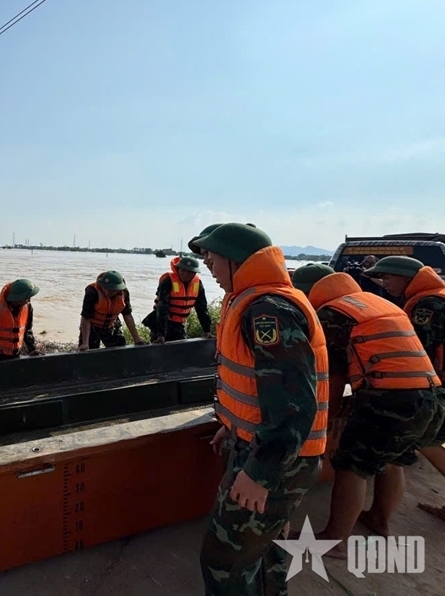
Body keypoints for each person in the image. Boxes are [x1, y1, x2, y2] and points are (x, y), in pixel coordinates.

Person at [194, 224, 328, 595]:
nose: (208, 266)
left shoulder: (268, 310)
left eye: (212, 258)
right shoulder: (256, 300)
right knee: (263, 548)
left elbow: (294, 405)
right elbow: (258, 387)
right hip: (271, 449)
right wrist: (234, 424)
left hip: (277, 459)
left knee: (226, 563)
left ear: (238, 260)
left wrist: (260, 473)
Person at [291, 262, 441, 551]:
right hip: (429, 395)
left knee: (351, 467)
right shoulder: (373, 303)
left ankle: (334, 541)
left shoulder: (332, 314)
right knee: (391, 458)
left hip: (390, 399)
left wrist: (324, 422)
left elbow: (332, 380)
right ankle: (378, 519)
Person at [363, 256, 445, 516]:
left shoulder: (426, 305)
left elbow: (417, 352)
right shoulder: (436, 295)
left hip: (432, 386)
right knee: (428, 441)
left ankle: (379, 517)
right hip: (437, 383)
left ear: (407, 278)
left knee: (401, 446)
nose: (383, 283)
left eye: (387, 277)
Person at [144, 256, 212, 342]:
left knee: (180, 348)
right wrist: (160, 334)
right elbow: (162, 307)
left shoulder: (198, 284)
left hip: (178, 323)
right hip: (160, 321)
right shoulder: (168, 281)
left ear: (194, 273)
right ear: (178, 269)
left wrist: (207, 330)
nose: (186, 274)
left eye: (190, 272)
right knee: (159, 350)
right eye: (183, 270)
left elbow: (202, 308)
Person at [78, 270, 145, 350]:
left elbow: (127, 315)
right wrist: (85, 343)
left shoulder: (124, 293)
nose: (107, 292)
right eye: (105, 288)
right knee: (87, 352)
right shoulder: (92, 292)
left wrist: (136, 338)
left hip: (111, 325)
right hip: (92, 326)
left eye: (112, 290)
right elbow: (86, 317)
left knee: (120, 349)